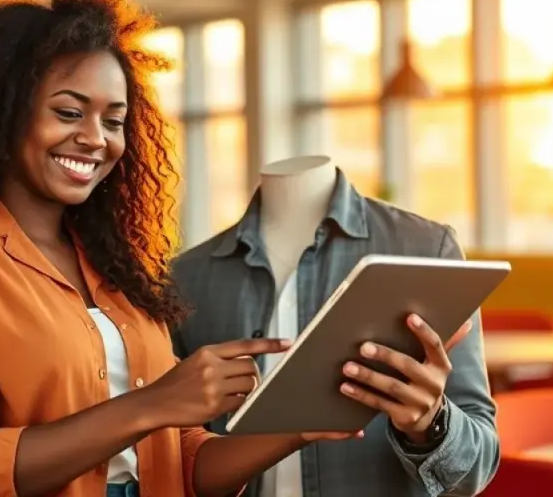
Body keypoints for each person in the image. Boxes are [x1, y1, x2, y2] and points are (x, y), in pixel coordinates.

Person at [0, 0, 359, 497]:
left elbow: (181, 461)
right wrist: (154, 403)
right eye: (68, 112)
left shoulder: (111, 258)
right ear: (0, 114)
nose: (94, 139)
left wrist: (298, 425)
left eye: (113, 120)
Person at [172, 158, 500, 497]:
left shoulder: (427, 248)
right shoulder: (185, 279)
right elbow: (166, 463)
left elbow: (476, 473)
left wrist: (430, 424)